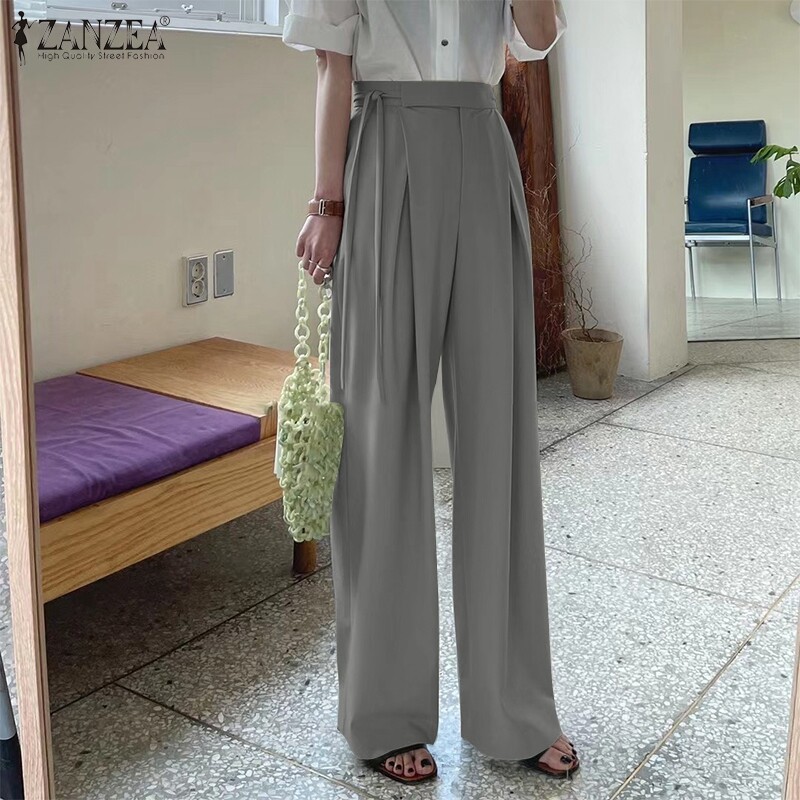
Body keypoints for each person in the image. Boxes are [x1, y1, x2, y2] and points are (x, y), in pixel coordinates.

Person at [281, 0, 578, 786]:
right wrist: (326, 203)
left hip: (482, 143)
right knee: (378, 435)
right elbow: (331, 61)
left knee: (498, 433)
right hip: (382, 151)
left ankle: (513, 707)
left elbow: (537, 39)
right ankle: (384, 712)